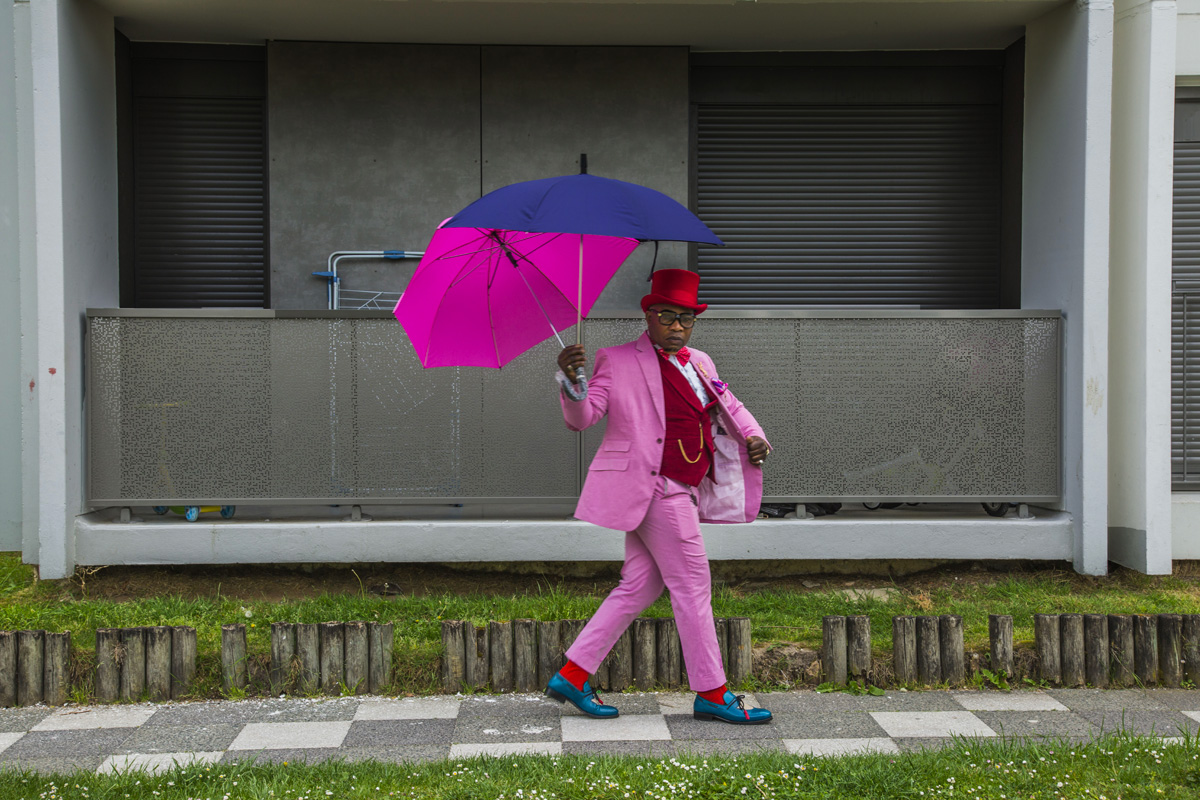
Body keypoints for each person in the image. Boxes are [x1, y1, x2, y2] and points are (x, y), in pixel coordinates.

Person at [544, 268, 773, 725]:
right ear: (648, 316)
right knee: (693, 584)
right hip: (653, 487)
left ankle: (572, 673)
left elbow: (732, 406)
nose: (676, 326)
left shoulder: (701, 361)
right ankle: (712, 691)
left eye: (685, 318)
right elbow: (583, 418)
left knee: (639, 586)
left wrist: (753, 435)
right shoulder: (617, 359)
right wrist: (572, 382)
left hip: (686, 486)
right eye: (666, 316)